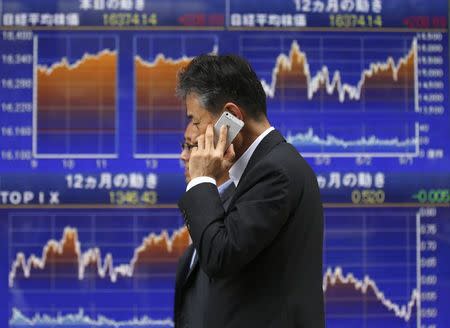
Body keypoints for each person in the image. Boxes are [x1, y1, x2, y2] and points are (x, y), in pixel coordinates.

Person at [175, 54, 324, 327]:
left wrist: (201, 180)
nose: (194, 136)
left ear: (231, 117)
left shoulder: (275, 172)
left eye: (196, 122)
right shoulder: (257, 169)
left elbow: (219, 256)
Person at [174, 122, 235, 328]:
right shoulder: (188, 257)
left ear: (220, 150)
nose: (183, 156)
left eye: (190, 146)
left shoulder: (237, 221)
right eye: (183, 146)